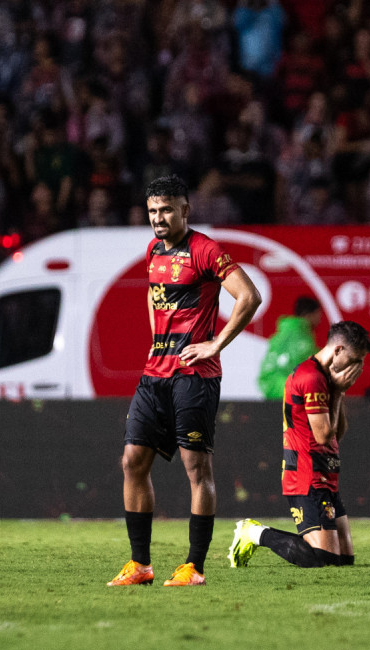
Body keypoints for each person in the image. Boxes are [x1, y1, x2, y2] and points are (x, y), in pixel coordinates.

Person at [108, 174, 261, 588]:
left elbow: (249, 296)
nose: (158, 218)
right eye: (153, 210)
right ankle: (140, 565)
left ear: (184, 210)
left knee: (197, 469)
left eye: (166, 210)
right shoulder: (153, 250)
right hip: (153, 374)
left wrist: (215, 344)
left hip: (195, 376)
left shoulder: (205, 250)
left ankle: (194, 566)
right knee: (132, 461)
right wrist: (159, 342)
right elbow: (155, 297)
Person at [230, 321, 370, 569]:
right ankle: (254, 533)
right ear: (338, 350)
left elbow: (336, 435)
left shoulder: (325, 378)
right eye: (354, 359)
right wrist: (338, 393)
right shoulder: (312, 377)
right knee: (324, 559)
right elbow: (322, 436)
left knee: (344, 560)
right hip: (306, 477)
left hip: (325, 475)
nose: (356, 367)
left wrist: (338, 392)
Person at [258, 296, 321, 399]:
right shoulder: (301, 334)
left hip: (270, 386)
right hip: (283, 389)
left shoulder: (284, 331)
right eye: (318, 314)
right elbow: (313, 359)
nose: (319, 319)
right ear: (310, 314)